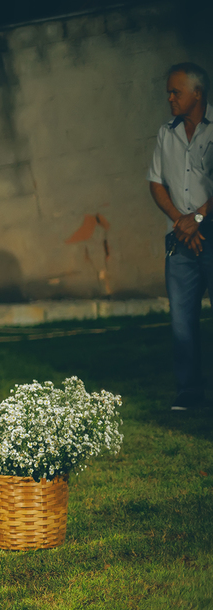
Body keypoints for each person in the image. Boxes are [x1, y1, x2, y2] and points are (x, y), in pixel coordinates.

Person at [149, 62, 213, 411]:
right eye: (168, 92)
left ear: (197, 94)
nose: (169, 98)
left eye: (176, 92)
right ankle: (189, 392)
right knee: (181, 321)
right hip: (180, 237)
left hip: (208, 230)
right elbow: (156, 183)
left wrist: (198, 218)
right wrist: (181, 222)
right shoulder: (166, 133)